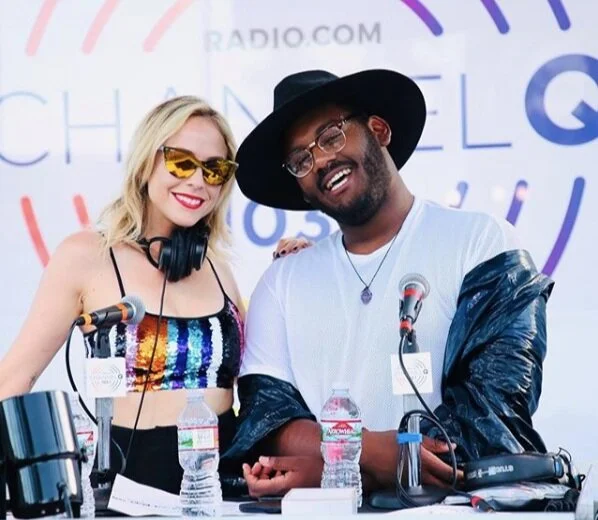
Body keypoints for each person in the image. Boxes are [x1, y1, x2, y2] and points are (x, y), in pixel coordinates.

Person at [223, 69, 554, 498]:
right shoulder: (281, 282)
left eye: (331, 136)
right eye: (301, 160)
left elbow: (493, 415)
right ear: (301, 188)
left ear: (379, 131)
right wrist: (367, 451)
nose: (320, 161)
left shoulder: (481, 243)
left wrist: (337, 467)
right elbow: (267, 422)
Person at [0, 95, 251, 494]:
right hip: (127, 492)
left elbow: (262, 381)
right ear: (146, 161)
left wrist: (294, 263)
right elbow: (14, 379)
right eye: (181, 162)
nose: (197, 180)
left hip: (222, 492)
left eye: (214, 169)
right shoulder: (87, 256)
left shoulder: (220, 268)